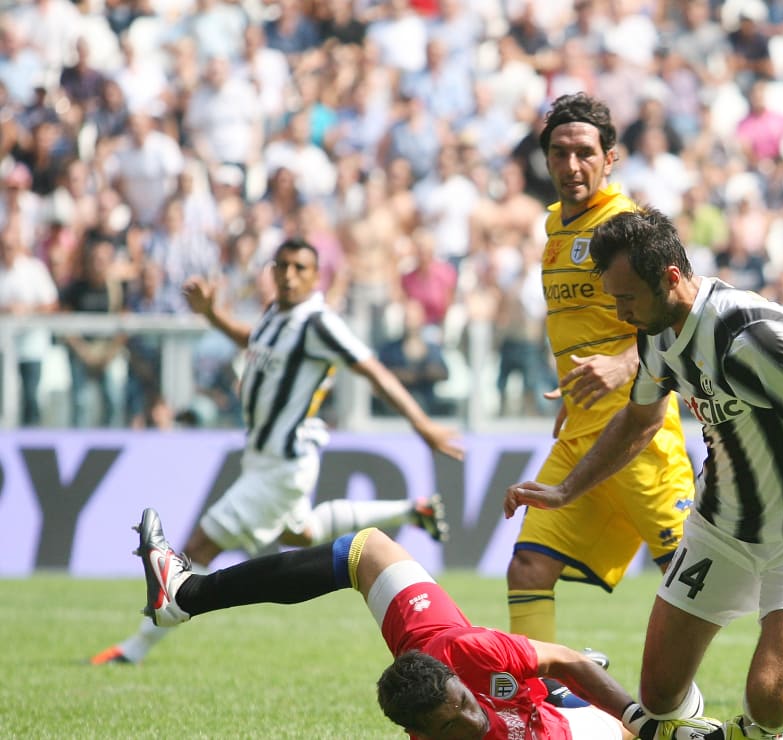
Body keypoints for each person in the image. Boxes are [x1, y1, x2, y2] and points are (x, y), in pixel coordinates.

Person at [504, 207, 783, 740]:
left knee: (770, 697)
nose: (621, 310)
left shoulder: (752, 335)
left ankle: (757, 732)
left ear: (671, 277)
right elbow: (641, 419)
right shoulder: (657, 332)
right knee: (658, 696)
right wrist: (567, 490)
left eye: (627, 296)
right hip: (720, 529)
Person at [91, 238, 464, 666]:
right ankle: (410, 510)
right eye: (282, 265)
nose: (289, 275)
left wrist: (421, 423)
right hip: (266, 458)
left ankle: (133, 648)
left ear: (315, 275)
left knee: (197, 547)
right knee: (299, 533)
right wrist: (213, 316)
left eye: (300, 267)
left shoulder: (319, 322)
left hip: (282, 466)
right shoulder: (276, 315)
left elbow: (371, 368)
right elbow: (253, 340)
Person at [130, 508, 723, 740]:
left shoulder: (465, 653)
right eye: (458, 720)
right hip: (554, 730)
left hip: (467, 656)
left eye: (464, 702)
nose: (472, 714)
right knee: (667, 721)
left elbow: (560, 654)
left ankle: (185, 594)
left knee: (367, 550)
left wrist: (636, 719)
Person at [505, 93, 696, 645]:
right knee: (530, 567)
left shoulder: (627, 223)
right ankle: (539, 697)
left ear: (610, 158)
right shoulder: (554, 228)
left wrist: (624, 362)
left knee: (691, 575)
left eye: (584, 152)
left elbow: (687, 311)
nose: (571, 166)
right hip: (581, 426)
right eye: (559, 153)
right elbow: (583, 326)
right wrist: (573, 394)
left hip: (639, 426)